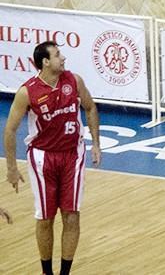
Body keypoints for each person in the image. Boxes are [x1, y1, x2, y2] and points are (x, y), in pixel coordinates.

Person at [4, 41, 101, 275]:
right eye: (58, 55)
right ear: (45, 62)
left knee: (72, 215)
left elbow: (90, 107)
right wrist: (11, 168)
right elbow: (10, 130)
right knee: (46, 218)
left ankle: (64, 273)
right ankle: (46, 272)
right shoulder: (28, 91)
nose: (63, 58)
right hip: (42, 158)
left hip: (72, 154)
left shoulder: (74, 81)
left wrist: (96, 143)